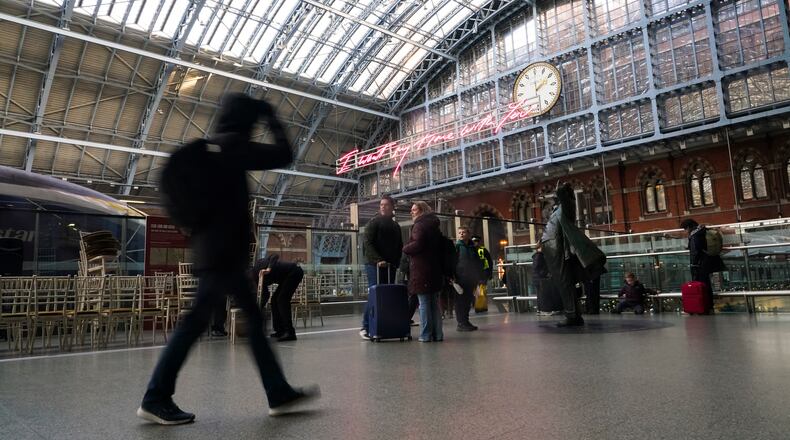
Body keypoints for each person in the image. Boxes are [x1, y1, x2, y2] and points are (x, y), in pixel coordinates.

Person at [137, 93, 319, 425]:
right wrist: (270, 115)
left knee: (247, 321)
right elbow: (285, 153)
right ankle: (155, 396)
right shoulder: (234, 146)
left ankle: (277, 391)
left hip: (217, 253)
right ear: (246, 120)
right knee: (196, 324)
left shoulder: (211, 149)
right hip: (223, 256)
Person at [540, 182, 607, 327]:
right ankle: (572, 313)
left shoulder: (566, 207)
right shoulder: (558, 210)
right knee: (563, 283)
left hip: (560, 250)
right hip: (554, 251)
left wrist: (562, 190)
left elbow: (565, 197)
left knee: (565, 283)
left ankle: (572, 315)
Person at [360, 195, 403, 340]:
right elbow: (368, 243)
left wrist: (396, 262)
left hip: (389, 265)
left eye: (386, 205)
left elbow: (399, 246)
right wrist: (378, 260)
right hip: (374, 264)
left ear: (392, 207)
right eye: (381, 205)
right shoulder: (374, 223)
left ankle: (382, 325)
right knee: (375, 293)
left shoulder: (395, 226)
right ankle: (365, 326)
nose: (383, 207)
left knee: (387, 295)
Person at [402, 201, 444, 342]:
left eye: (414, 210)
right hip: (434, 268)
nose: (411, 212)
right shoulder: (434, 225)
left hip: (422, 270)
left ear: (421, 211)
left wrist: (405, 248)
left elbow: (418, 244)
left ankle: (426, 335)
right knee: (434, 303)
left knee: (424, 303)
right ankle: (438, 334)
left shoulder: (419, 225)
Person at [252, 254, 304, 342]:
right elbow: (265, 295)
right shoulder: (256, 280)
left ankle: (290, 332)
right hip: (286, 277)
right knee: (274, 300)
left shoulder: (259, 266)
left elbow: (274, 256)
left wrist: (268, 269)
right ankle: (280, 330)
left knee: (282, 300)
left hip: (294, 272)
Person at [681, 219, 726, 314]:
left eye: (685, 229)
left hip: (700, 264)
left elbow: (695, 251)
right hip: (707, 262)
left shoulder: (695, 235)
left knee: (702, 285)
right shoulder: (702, 231)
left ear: (689, 227)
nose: (685, 231)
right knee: (706, 285)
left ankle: (703, 306)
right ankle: (708, 306)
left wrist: (693, 264)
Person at [454, 227, 482, 331]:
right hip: (461, 278)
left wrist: (479, 276)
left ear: (468, 234)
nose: (461, 234)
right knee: (460, 301)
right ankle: (461, 323)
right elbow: (453, 261)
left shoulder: (472, 247)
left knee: (468, 300)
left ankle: (466, 321)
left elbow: (477, 262)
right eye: (459, 233)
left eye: (463, 232)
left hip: (471, 278)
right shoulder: (457, 246)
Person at [533, 244, 562, 316]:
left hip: (538, 278)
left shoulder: (538, 255)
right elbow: (538, 267)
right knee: (543, 294)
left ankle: (540, 310)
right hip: (541, 278)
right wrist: (545, 273)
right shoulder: (539, 255)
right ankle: (544, 310)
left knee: (540, 295)